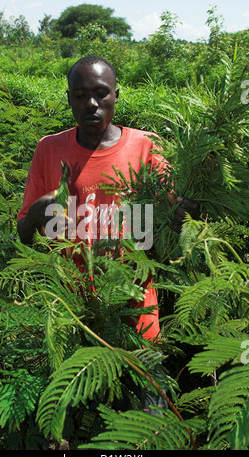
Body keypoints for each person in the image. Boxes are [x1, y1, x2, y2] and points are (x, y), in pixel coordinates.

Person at [17, 55, 199, 342]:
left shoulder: (147, 147)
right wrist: (36, 216)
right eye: (80, 95)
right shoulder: (48, 150)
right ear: (69, 99)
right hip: (69, 310)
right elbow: (23, 235)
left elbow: (175, 208)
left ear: (116, 94)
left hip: (135, 305)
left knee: (147, 383)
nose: (91, 104)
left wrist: (186, 217)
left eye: (101, 93)